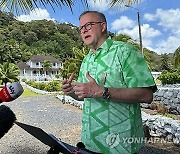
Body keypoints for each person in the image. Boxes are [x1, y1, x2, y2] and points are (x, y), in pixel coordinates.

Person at [62, 11, 157, 154]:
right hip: (90, 142)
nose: (83, 31)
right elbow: (83, 95)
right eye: (81, 28)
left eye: (88, 25)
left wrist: (101, 91)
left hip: (120, 145)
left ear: (103, 26)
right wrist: (71, 92)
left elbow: (146, 95)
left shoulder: (125, 52)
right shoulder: (87, 59)